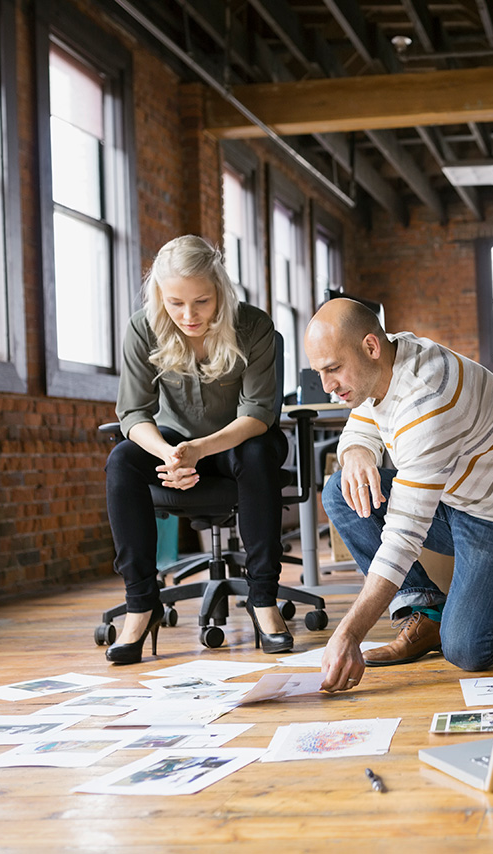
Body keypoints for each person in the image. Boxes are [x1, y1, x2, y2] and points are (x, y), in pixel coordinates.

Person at [306, 298, 493, 694]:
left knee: (467, 649)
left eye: (333, 369)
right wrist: (356, 449)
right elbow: (366, 411)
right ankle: (426, 611)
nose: (327, 386)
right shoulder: (393, 354)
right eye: (319, 372)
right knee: (342, 491)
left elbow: (402, 539)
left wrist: (348, 633)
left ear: (370, 347)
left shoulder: (427, 400)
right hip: (458, 499)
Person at [104, 235, 292, 664]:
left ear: (221, 291)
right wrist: (169, 454)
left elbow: (259, 413)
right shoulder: (142, 328)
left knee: (259, 450)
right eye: (175, 304)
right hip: (172, 448)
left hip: (235, 446)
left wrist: (199, 451)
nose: (189, 315)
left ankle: (263, 598)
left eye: (202, 302)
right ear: (160, 297)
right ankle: (141, 604)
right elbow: (133, 414)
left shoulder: (254, 326)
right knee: (121, 460)